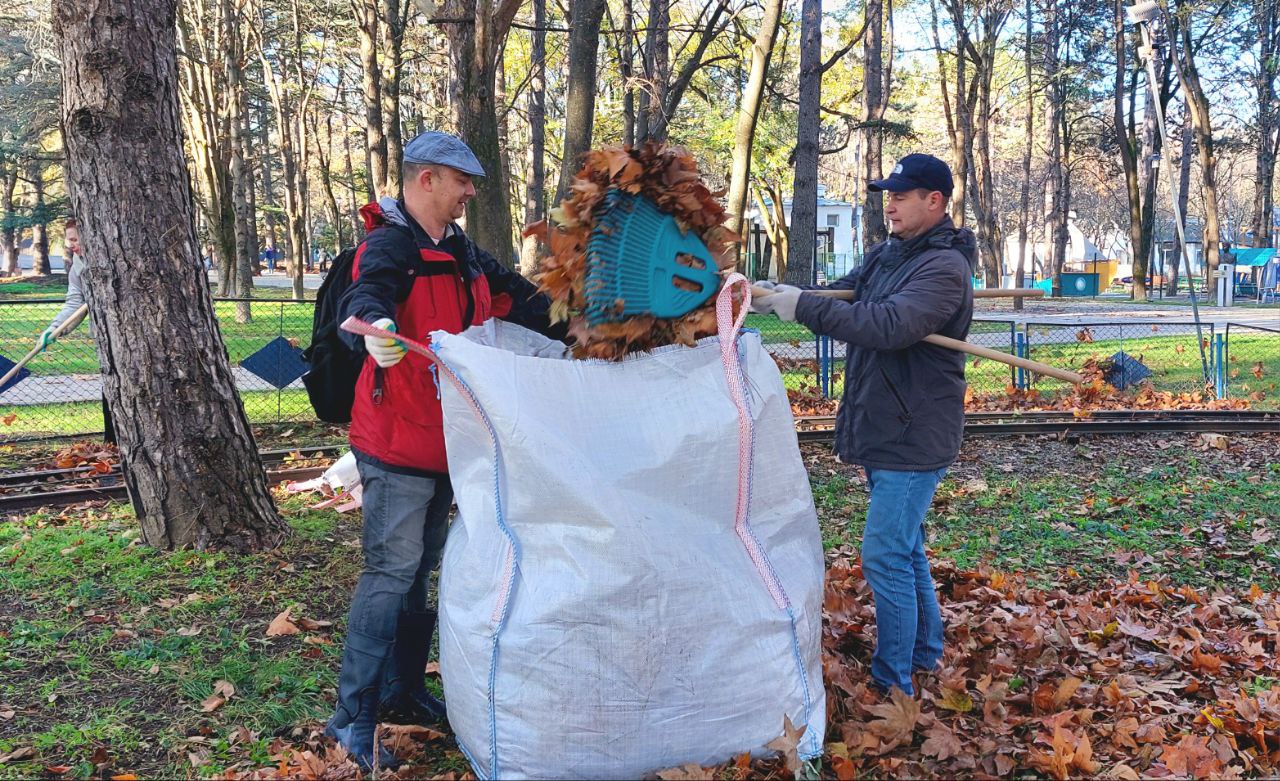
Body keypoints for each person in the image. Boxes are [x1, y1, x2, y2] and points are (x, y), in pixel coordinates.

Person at [328, 130, 565, 770]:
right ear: (425, 179)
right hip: (397, 439)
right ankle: (354, 717)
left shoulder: (460, 251)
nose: (469, 194)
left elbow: (526, 303)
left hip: (447, 443)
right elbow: (365, 295)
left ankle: (404, 692)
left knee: (421, 568)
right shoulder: (391, 242)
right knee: (390, 571)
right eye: (462, 182)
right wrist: (374, 329)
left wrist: (596, 322)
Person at [754, 153, 976, 697]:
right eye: (888, 195)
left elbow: (888, 324)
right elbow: (842, 293)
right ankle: (924, 653)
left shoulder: (944, 268)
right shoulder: (889, 255)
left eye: (902, 195)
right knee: (904, 548)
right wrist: (772, 292)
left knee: (884, 552)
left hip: (913, 430)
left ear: (935, 202)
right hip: (888, 423)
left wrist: (804, 307)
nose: (890, 204)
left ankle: (892, 683)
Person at [39, 218, 116, 446]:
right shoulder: (78, 265)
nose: (70, 244)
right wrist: (53, 329)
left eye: (74, 239)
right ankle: (112, 445)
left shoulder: (113, 255)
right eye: (68, 239)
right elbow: (75, 303)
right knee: (111, 389)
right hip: (106, 338)